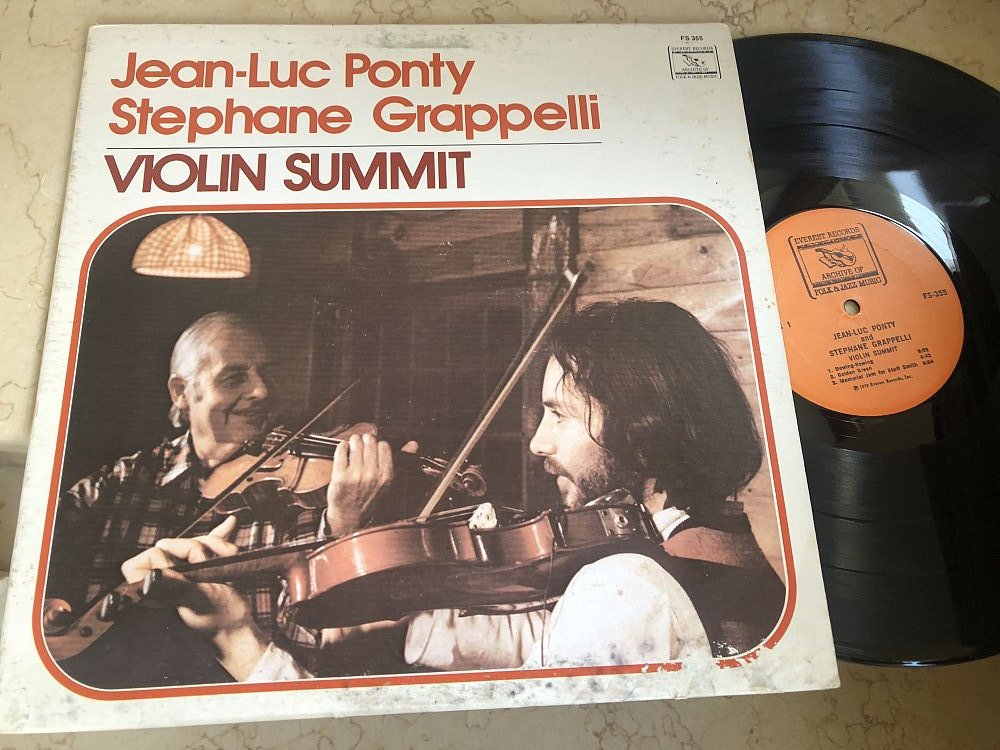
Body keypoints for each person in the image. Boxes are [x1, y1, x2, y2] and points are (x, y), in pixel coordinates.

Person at [401, 299, 786, 669]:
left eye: (559, 415)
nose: (538, 443)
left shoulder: (625, 584)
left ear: (640, 431)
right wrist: (417, 626)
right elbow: (561, 637)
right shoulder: (716, 535)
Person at [44, 311, 398, 683]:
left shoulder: (304, 492)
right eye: (234, 377)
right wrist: (46, 596)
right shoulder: (123, 481)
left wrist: (344, 525)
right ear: (182, 393)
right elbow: (33, 540)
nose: (261, 391)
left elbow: (321, 646)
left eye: (266, 373)